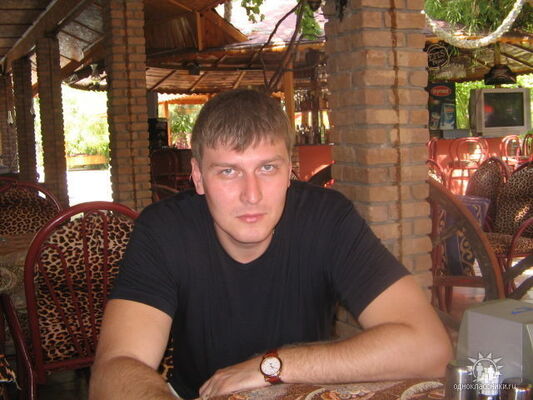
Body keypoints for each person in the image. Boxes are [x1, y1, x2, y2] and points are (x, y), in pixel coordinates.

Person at [90, 89, 452, 400]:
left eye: (267, 168)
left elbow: (429, 348)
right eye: (228, 171)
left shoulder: (327, 219)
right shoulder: (164, 230)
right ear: (198, 176)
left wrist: (272, 367)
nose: (252, 195)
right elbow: (115, 367)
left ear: (289, 170)